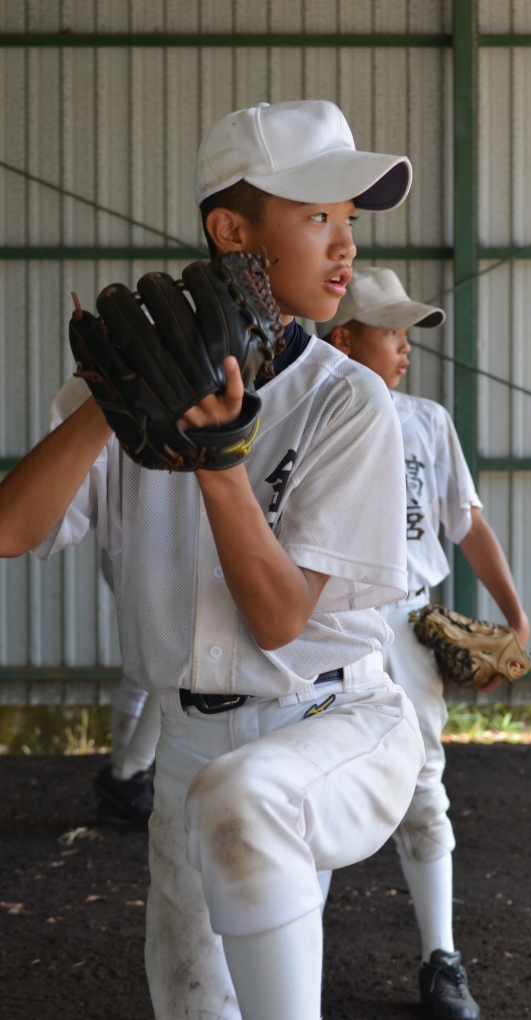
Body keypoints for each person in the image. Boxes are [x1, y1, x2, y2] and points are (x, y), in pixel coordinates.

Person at [0, 100, 426, 1020]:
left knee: (244, 802)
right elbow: (12, 529)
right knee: (193, 999)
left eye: (350, 219)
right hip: (190, 739)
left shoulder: (349, 401)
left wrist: (220, 458)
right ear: (232, 232)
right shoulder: (130, 388)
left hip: (332, 720)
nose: (345, 245)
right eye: (317, 216)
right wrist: (111, 394)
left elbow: (278, 619)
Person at [321, 266, 531, 1020]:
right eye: (390, 332)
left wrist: (514, 611)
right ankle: (292, 963)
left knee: (421, 786)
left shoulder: (426, 421)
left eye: (408, 334)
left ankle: (441, 959)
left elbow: (465, 521)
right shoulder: (299, 413)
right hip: (323, 625)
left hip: (407, 622)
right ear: (344, 340)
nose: (405, 347)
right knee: (312, 789)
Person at [96, 549, 160, 828]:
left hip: (125, 553)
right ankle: (128, 777)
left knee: (142, 667)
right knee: (173, 669)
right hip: (153, 561)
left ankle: (122, 778)